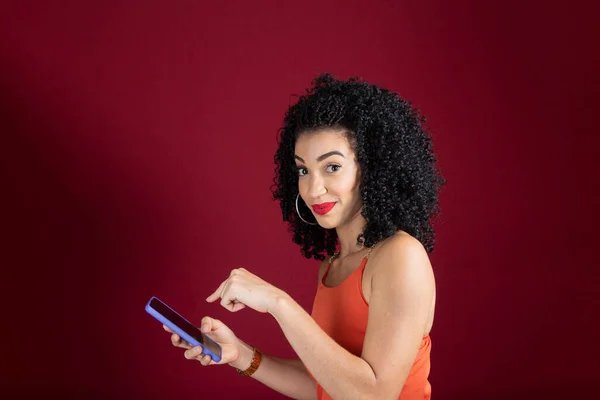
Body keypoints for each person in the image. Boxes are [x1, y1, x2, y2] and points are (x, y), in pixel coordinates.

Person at [163, 73, 445, 399]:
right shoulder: (332, 266)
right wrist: (239, 354)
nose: (313, 188)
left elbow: (373, 395)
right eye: (303, 170)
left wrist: (278, 303)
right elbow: (329, 386)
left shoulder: (400, 256)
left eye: (332, 167)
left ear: (374, 168)